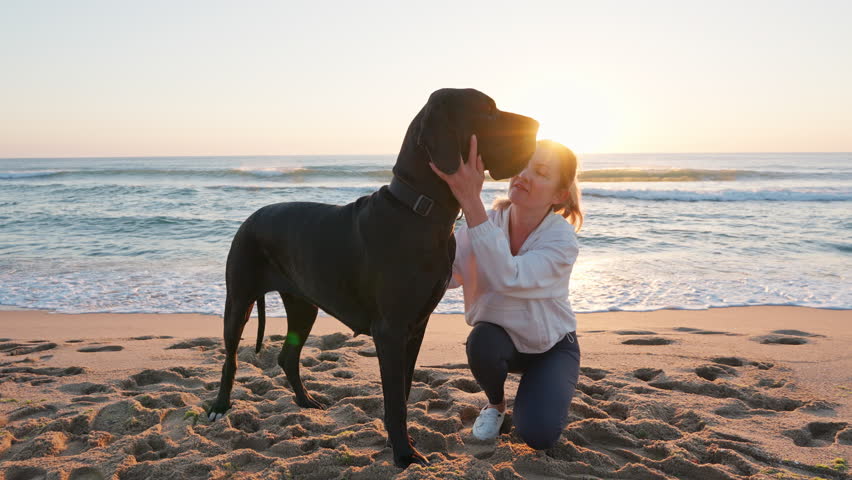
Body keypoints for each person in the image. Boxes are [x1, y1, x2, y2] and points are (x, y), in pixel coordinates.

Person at [429, 134, 583, 450]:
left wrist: (470, 200)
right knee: (481, 340)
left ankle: (540, 391)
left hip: (551, 348)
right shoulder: (486, 223)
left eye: (539, 172)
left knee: (538, 436)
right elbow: (447, 274)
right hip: (500, 344)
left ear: (559, 194)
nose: (523, 176)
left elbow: (508, 277)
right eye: (522, 166)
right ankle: (496, 405)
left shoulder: (562, 241)